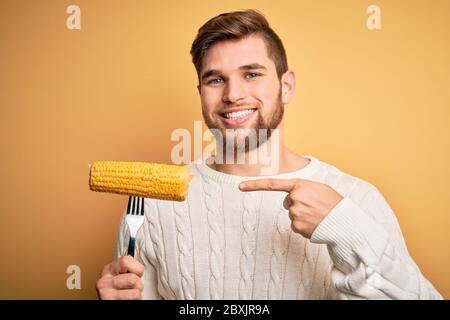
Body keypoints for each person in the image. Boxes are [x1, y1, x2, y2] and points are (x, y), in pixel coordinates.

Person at [96, 9, 442, 300]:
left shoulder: (355, 199)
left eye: (251, 74)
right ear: (201, 91)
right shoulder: (153, 205)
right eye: (216, 80)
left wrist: (346, 227)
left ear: (286, 86)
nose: (233, 94)